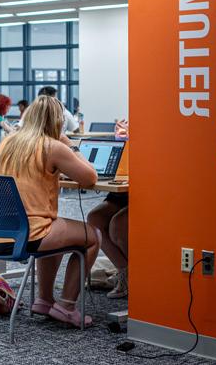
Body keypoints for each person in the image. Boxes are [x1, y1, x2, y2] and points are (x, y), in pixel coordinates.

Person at [0, 95, 100, 327]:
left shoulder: (8, 142)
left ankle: (45, 300)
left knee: (55, 227)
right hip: (29, 235)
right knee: (93, 236)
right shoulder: (53, 147)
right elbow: (90, 178)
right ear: (56, 122)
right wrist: (71, 145)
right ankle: (67, 307)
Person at [87, 119, 129, 298]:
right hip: (123, 189)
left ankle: (144, 276)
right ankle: (126, 272)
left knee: (117, 225)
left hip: (150, 188)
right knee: (94, 219)